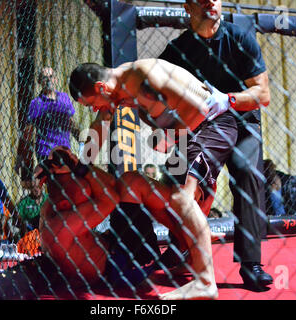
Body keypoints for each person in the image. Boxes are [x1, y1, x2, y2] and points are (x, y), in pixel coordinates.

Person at [69, 56, 248, 298]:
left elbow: (200, 109)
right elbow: (101, 125)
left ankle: (206, 283)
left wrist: (168, 138)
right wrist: (80, 168)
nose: (93, 109)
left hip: (212, 125)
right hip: (186, 138)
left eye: (91, 103)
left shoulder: (142, 77)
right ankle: (189, 240)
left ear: (102, 88)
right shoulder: (117, 94)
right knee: (132, 182)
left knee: (184, 198)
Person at [158, 0, 272, 289]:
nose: (211, 1)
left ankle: (251, 264)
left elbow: (263, 93)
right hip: (199, 123)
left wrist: (228, 99)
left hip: (243, 120)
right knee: (174, 172)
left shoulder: (240, 38)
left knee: (248, 173)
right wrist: (163, 128)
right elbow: (155, 89)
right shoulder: (177, 50)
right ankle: (179, 245)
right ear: (188, 7)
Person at [16, 67, 82, 187]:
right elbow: (28, 132)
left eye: (51, 77)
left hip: (64, 150)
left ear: (56, 79)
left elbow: (71, 122)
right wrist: (21, 156)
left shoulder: (64, 98)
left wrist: (82, 141)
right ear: (39, 82)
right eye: (44, 78)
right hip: (46, 152)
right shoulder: (36, 103)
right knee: (54, 185)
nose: (48, 80)